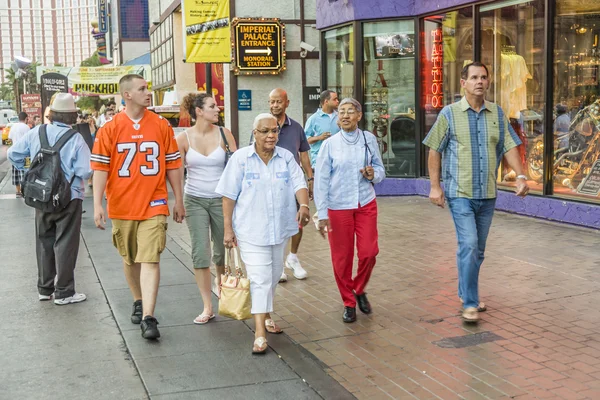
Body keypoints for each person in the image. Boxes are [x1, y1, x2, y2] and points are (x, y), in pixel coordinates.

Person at [423, 62, 529, 324]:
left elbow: (509, 146)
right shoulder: (449, 114)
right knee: (468, 244)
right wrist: (435, 186)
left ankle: (464, 289)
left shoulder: (497, 113)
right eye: (474, 77)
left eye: (483, 77)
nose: (479, 81)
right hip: (460, 193)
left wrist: (522, 176)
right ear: (463, 82)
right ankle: (469, 302)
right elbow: (434, 149)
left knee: (478, 250)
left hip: (488, 193)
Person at [91, 74, 185, 340]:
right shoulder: (109, 128)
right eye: (142, 89)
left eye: (148, 88)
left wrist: (178, 199)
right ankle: (138, 299)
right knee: (130, 258)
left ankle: (148, 317)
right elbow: (100, 168)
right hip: (121, 205)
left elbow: (174, 165)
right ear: (127, 95)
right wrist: (98, 204)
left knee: (150, 257)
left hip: (154, 203)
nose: (148, 92)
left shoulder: (161, 125)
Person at [216, 113, 310, 353]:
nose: (271, 135)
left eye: (275, 131)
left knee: (274, 274)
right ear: (254, 133)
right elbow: (228, 195)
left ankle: (266, 313)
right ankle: (259, 332)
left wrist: (304, 205)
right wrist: (228, 228)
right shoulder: (240, 159)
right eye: (265, 131)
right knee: (259, 278)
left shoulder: (286, 157)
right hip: (250, 230)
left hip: (279, 230)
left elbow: (299, 183)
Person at [8, 93, 92, 304]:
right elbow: (84, 171)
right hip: (69, 197)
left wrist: (29, 171)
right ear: (72, 116)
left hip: (40, 195)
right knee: (65, 242)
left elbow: (13, 154)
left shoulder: (37, 131)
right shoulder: (76, 138)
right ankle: (64, 292)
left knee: (43, 241)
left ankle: (45, 289)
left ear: (52, 114)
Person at [314, 98, 385, 323]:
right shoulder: (330, 145)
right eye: (341, 112)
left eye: (350, 112)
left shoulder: (369, 139)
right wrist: (323, 214)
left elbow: (380, 169)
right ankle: (349, 302)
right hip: (338, 207)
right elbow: (321, 181)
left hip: (365, 203)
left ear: (359, 116)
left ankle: (358, 287)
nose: (345, 115)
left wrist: (374, 174)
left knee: (368, 252)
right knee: (342, 258)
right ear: (337, 118)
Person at [176, 92, 237, 324]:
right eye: (212, 106)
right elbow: (176, 173)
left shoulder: (224, 133)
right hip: (195, 200)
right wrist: (179, 201)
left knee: (222, 251)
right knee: (201, 252)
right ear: (199, 111)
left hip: (222, 200)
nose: (217, 109)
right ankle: (207, 306)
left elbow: (237, 168)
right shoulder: (183, 138)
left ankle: (221, 288)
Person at [267, 88, 313, 282]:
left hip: (293, 181)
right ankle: (277, 265)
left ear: (287, 103)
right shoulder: (263, 124)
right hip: (271, 182)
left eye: (278, 101)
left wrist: (310, 178)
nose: (275, 105)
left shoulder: (296, 127)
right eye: (272, 102)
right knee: (275, 222)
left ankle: (292, 257)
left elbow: (303, 154)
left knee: (300, 219)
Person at [304, 90, 340, 167]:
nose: (338, 101)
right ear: (326, 101)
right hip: (320, 162)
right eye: (335, 99)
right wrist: (319, 137)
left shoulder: (340, 117)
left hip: (338, 161)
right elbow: (305, 141)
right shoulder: (313, 119)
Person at [8, 111, 31, 197]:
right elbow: (29, 140)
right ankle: (24, 190)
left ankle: (18, 191)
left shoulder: (13, 126)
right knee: (25, 171)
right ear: (26, 119)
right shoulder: (26, 127)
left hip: (14, 153)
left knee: (15, 172)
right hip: (25, 153)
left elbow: (9, 139)